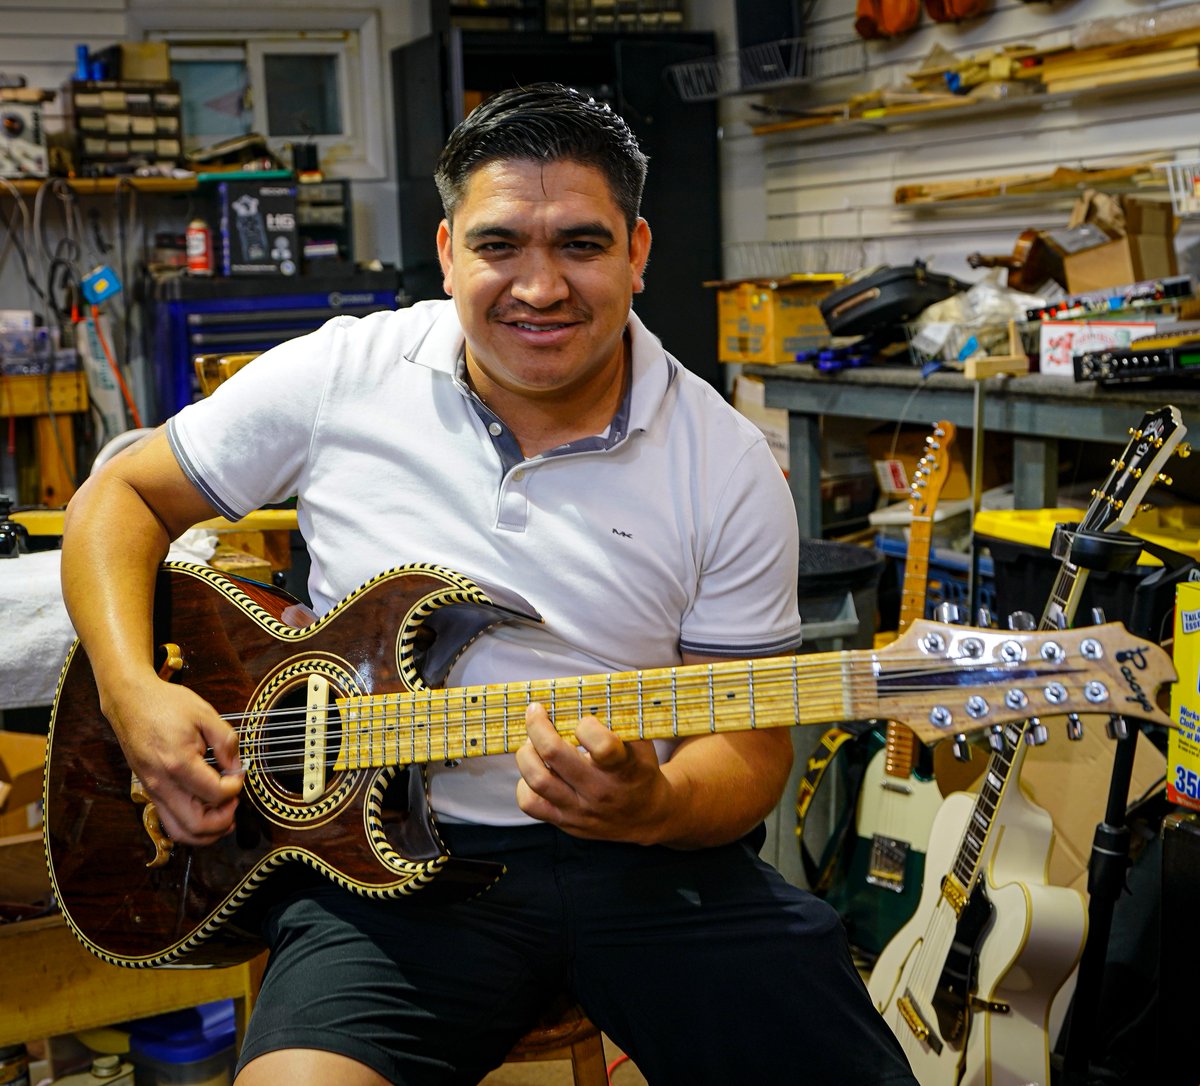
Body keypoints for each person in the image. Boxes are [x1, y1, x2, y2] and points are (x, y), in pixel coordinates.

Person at [61, 83, 916, 1085]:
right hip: (375, 887)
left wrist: (654, 804)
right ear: (447, 251)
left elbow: (751, 751)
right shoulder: (345, 375)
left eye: (583, 245)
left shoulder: (726, 463)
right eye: (501, 245)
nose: (540, 287)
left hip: (645, 868)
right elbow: (118, 498)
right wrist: (132, 693)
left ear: (638, 252)